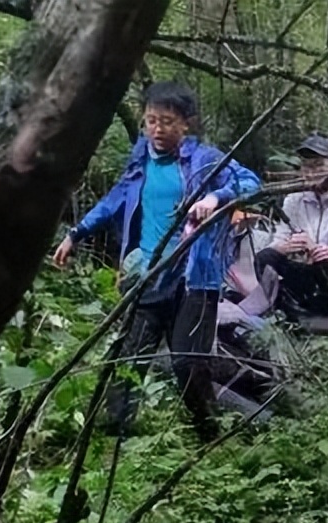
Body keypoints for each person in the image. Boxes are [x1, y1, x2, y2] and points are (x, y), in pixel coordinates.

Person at [52, 81, 261, 440]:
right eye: (151, 121)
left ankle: (209, 434)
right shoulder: (141, 161)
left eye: (167, 121)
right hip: (147, 275)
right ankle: (115, 435)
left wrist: (217, 197)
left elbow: (251, 182)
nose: (157, 130)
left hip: (194, 279)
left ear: (186, 124)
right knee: (128, 358)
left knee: (186, 362)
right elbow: (116, 200)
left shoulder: (206, 160)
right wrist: (76, 233)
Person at [255, 132, 328, 324]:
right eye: (307, 166)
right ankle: (289, 314)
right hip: (305, 268)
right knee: (265, 257)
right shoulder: (295, 197)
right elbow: (279, 239)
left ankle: (323, 320)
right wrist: (288, 246)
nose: (311, 172)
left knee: (323, 268)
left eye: (319, 165)